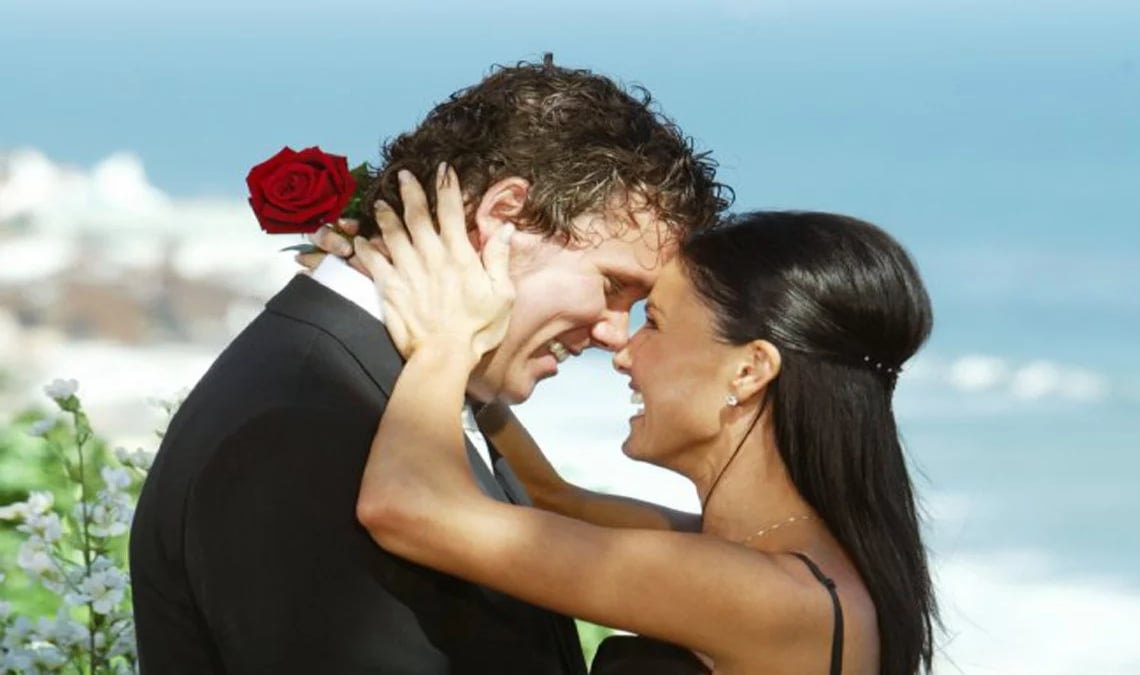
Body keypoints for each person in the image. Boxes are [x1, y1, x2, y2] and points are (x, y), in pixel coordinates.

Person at [128, 57, 728, 674]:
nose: (611, 334)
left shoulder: (388, 382)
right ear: (502, 219)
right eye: (611, 286)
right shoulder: (304, 426)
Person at [337, 168, 937, 674]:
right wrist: (461, 339)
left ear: (750, 370)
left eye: (656, 323)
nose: (623, 351)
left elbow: (408, 510)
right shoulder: (749, 552)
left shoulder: (768, 593)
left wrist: (449, 337)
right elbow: (548, 498)